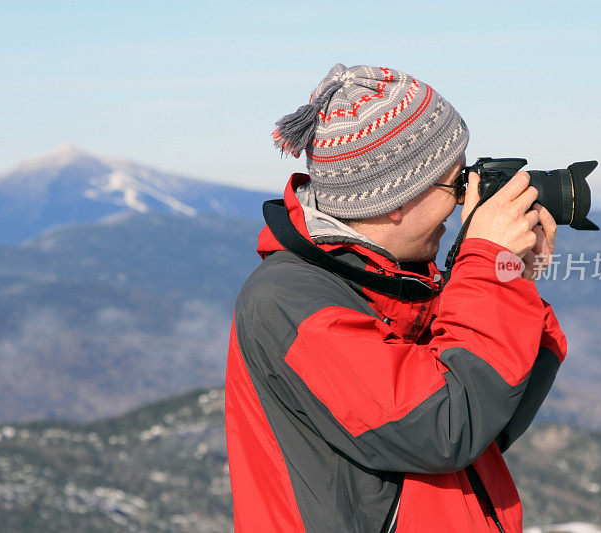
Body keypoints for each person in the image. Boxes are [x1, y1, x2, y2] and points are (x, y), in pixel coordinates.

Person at [224, 63, 567, 532]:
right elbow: (445, 429)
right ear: (396, 198)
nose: (465, 200)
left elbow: (493, 420)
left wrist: (513, 279)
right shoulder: (287, 301)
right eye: (454, 182)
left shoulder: (395, 282)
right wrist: (486, 268)